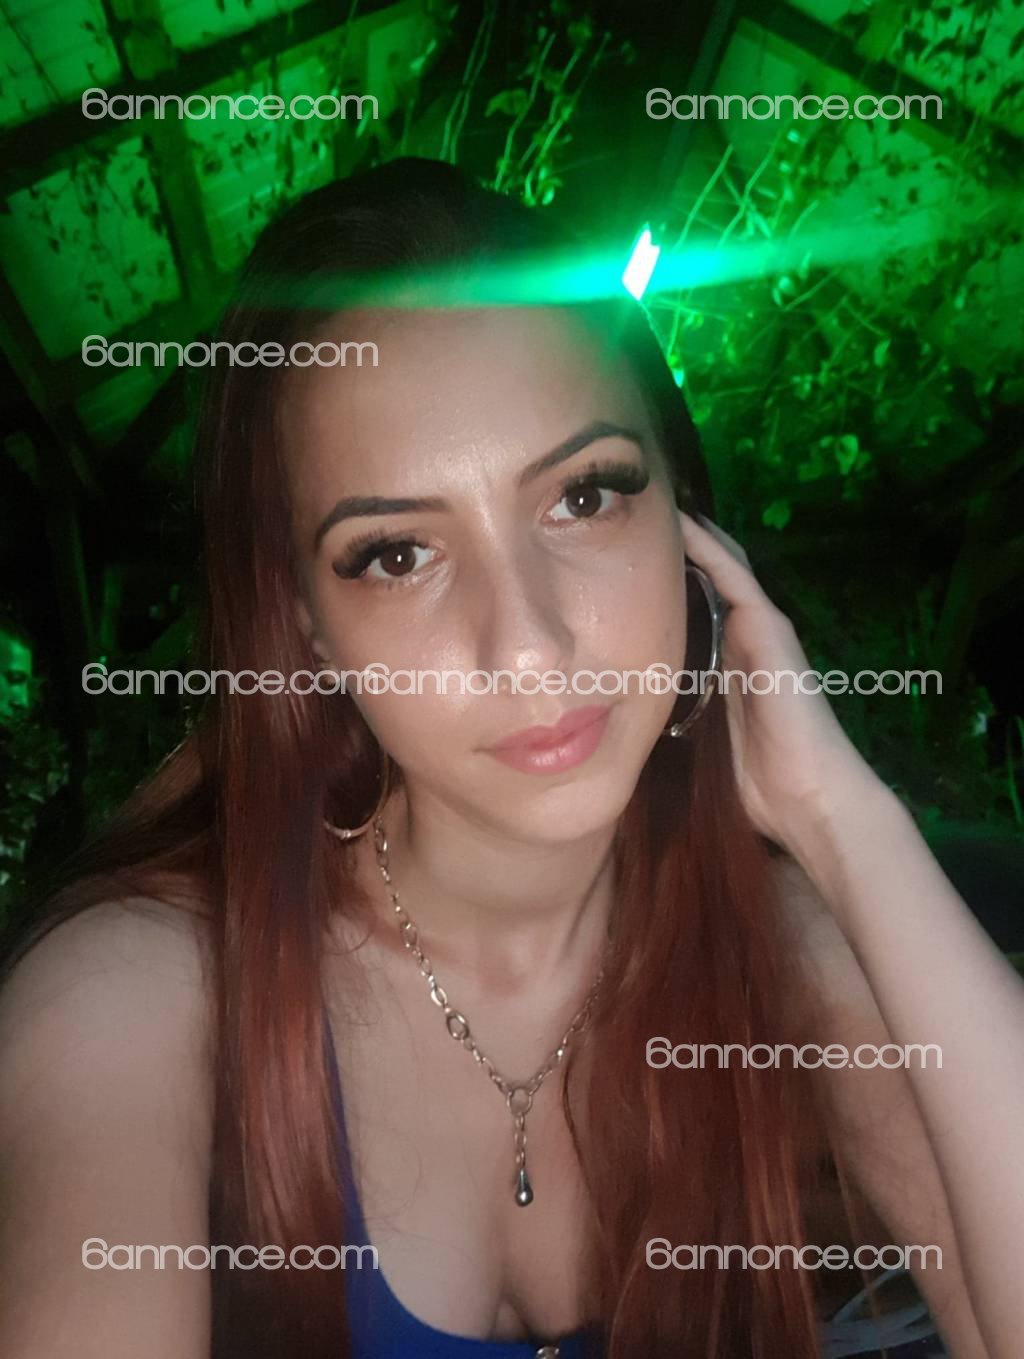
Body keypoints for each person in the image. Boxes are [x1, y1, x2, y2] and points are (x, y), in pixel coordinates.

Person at [0, 158, 1019, 1359]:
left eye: (585, 497)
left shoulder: (775, 939)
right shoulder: (140, 996)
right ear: (309, 628)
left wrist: (843, 819)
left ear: (689, 528)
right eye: (396, 555)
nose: (528, 645)